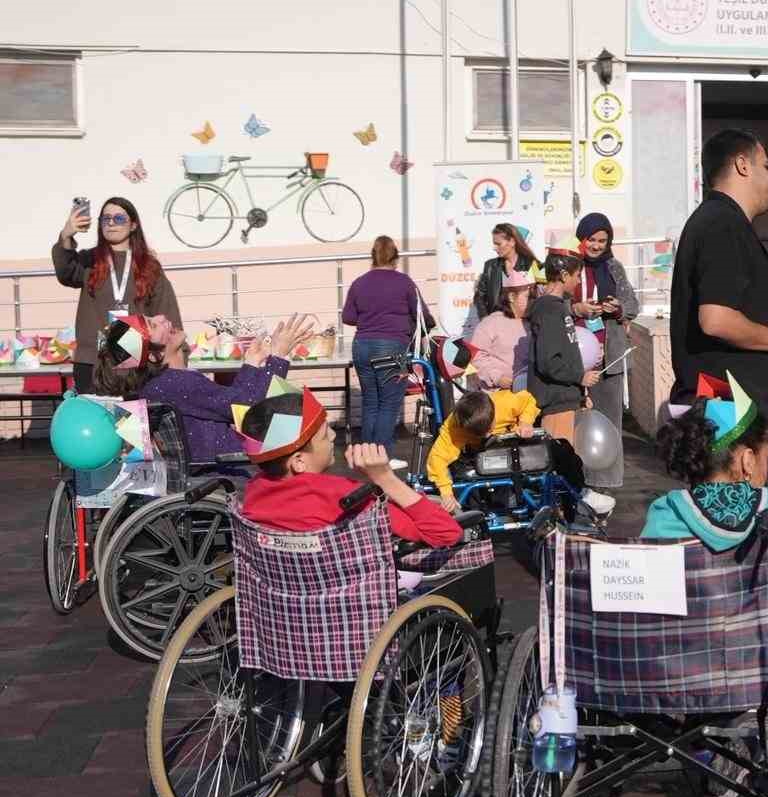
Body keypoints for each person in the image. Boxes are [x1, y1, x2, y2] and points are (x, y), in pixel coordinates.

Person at [669, 129, 768, 425]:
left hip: (727, 402)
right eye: (765, 165)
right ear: (743, 165)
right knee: (734, 474)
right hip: (727, 405)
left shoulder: (719, 220)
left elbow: (722, 293)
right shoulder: (723, 224)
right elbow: (716, 319)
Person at [237, 384, 462, 548]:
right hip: (351, 603)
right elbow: (446, 534)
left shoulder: (255, 489)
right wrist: (386, 478)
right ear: (298, 461)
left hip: (278, 600)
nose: (334, 436)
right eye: (325, 435)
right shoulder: (343, 496)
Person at [95, 312, 319, 468]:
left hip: (220, 464)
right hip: (224, 468)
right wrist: (278, 357)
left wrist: (251, 364)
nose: (162, 318)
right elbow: (248, 408)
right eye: (153, 325)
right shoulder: (175, 383)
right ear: (154, 355)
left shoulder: (163, 383)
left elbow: (232, 403)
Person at [647, 373, 768, 586]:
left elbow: (650, 578)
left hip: (690, 618)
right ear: (748, 460)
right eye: (767, 456)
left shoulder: (665, 514)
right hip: (752, 619)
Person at [54, 197, 182, 394]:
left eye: (119, 218)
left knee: (131, 420)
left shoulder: (148, 265)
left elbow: (167, 312)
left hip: (136, 360)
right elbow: (65, 272)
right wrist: (66, 235)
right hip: (93, 360)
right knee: (96, 419)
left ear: (133, 225)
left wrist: (176, 357)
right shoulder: (90, 259)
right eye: (106, 219)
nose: (111, 223)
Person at [342, 236, 434, 454]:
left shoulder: (359, 282)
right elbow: (424, 318)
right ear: (396, 257)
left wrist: (371, 317)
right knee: (389, 404)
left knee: (371, 402)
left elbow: (348, 316)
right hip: (392, 347)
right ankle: (382, 458)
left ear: (372, 256)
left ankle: (366, 455)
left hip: (362, 345)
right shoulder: (405, 283)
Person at [572, 212, 640, 489]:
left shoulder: (614, 267)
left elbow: (633, 305)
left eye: (603, 240)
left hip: (610, 358)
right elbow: (551, 302)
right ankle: (577, 480)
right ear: (582, 238)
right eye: (592, 239)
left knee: (610, 420)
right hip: (575, 357)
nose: (597, 245)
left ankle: (607, 482)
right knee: (576, 420)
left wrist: (618, 308)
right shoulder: (570, 265)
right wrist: (576, 308)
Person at [425, 387, 540, 512]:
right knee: (464, 478)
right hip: (477, 454)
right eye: (480, 432)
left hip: (509, 448)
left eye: (489, 429)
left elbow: (528, 400)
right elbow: (437, 458)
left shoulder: (505, 402)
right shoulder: (454, 426)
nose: (486, 434)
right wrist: (446, 493)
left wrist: (525, 422)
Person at [528, 250, 602, 444]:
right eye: (577, 275)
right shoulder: (548, 309)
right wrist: (580, 377)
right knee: (562, 466)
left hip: (567, 401)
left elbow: (566, 354)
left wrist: (579, 394)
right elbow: (548, 361)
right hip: (556, 406)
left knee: (573, 466)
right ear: (563, 275)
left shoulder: (559, 307)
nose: (578, 281)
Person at [467, 223, 540, 336]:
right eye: (494, 244)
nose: (494, 248)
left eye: (498, 244)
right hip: (497, 329)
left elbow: (539, 297)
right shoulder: (490, 266)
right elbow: (479, 296)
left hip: (524, 328)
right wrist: (486, 320)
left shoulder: (532, 264)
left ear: (512, 241)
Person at [469, 269, 534, 390]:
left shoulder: (532, 322)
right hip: (500, 394)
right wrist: (498, 378)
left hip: (530, 392)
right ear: (511, 297)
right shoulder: (491, 323)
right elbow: (476, 357)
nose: (531, 301)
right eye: (527, 297)